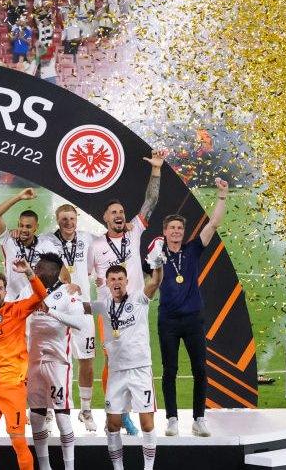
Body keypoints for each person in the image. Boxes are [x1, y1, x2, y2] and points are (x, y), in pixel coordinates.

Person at [89, 148, 168, 436]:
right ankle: (118, 413)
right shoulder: (95, 244)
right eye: (114, 213)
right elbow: (84, 274)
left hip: (136, 306)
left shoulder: (134, 231)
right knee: (113, 357)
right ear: (105, 218)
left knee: (139, 358)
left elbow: (151, 201)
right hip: (108, 310)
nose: (120, 216)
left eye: (122, 212)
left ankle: (141, 411)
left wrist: (156, 169)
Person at [151, 178, 230, 437]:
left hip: (193, 318)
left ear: (183, 232)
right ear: (165, 231)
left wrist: (222, 195)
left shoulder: (193, 249)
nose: (175, 232)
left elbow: (214, 223)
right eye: (171, 228)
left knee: (200, 369)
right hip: (168, 321)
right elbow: (147, 281)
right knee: (170, 370)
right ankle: (172, 418)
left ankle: (199, 418)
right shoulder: (157, 255)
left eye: (179, 228)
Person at [79, 264, 164, 470]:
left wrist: (158, 266)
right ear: (107, 283)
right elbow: (81, 307)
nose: (116, 282)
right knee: (113, 424)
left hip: (140, 369)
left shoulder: (139, 299)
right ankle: (118, 468)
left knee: (147, 423)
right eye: (112, 279)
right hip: (116, 372)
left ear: (127, 281)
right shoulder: (103, 305)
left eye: (120, 279)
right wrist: (66, 292)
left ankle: (149, 468)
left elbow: (155, 282)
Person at [0, 261, 48, 470]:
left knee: (18, 439)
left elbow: (41, 295)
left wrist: (29, 273)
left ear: (5, 292)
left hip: (13, 385)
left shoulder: (16, 310)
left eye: (0, 288)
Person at [38, 203, 98, 432]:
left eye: (71, 218)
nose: (68, 223)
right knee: (53, 361)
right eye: (63, 219)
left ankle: (85, 410)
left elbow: (107, 249)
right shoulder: (46, 240)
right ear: (57, 219)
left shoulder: (88, 238)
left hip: (83, 309)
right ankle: (51, 409)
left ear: (77, 218)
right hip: (57, 310)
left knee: (86, 359)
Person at [27, 253, 88, 470]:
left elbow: (79, 322)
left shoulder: (67, 293)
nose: (36, 270)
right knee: (36, 416)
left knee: (62, 417)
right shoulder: (30, 291)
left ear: (52, 272)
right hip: (33, 362)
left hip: (58, 362)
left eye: (40, 268)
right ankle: (44, 466)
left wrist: (50, 311)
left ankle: (69, 467)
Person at [0, 187, 43, 301]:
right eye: (21, 225)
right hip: (12, 301)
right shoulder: (8, 240)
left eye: (28, 226)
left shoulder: (44, 244)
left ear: (36, 227)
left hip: (35, 301)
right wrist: (19, 197)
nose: (24, 229)